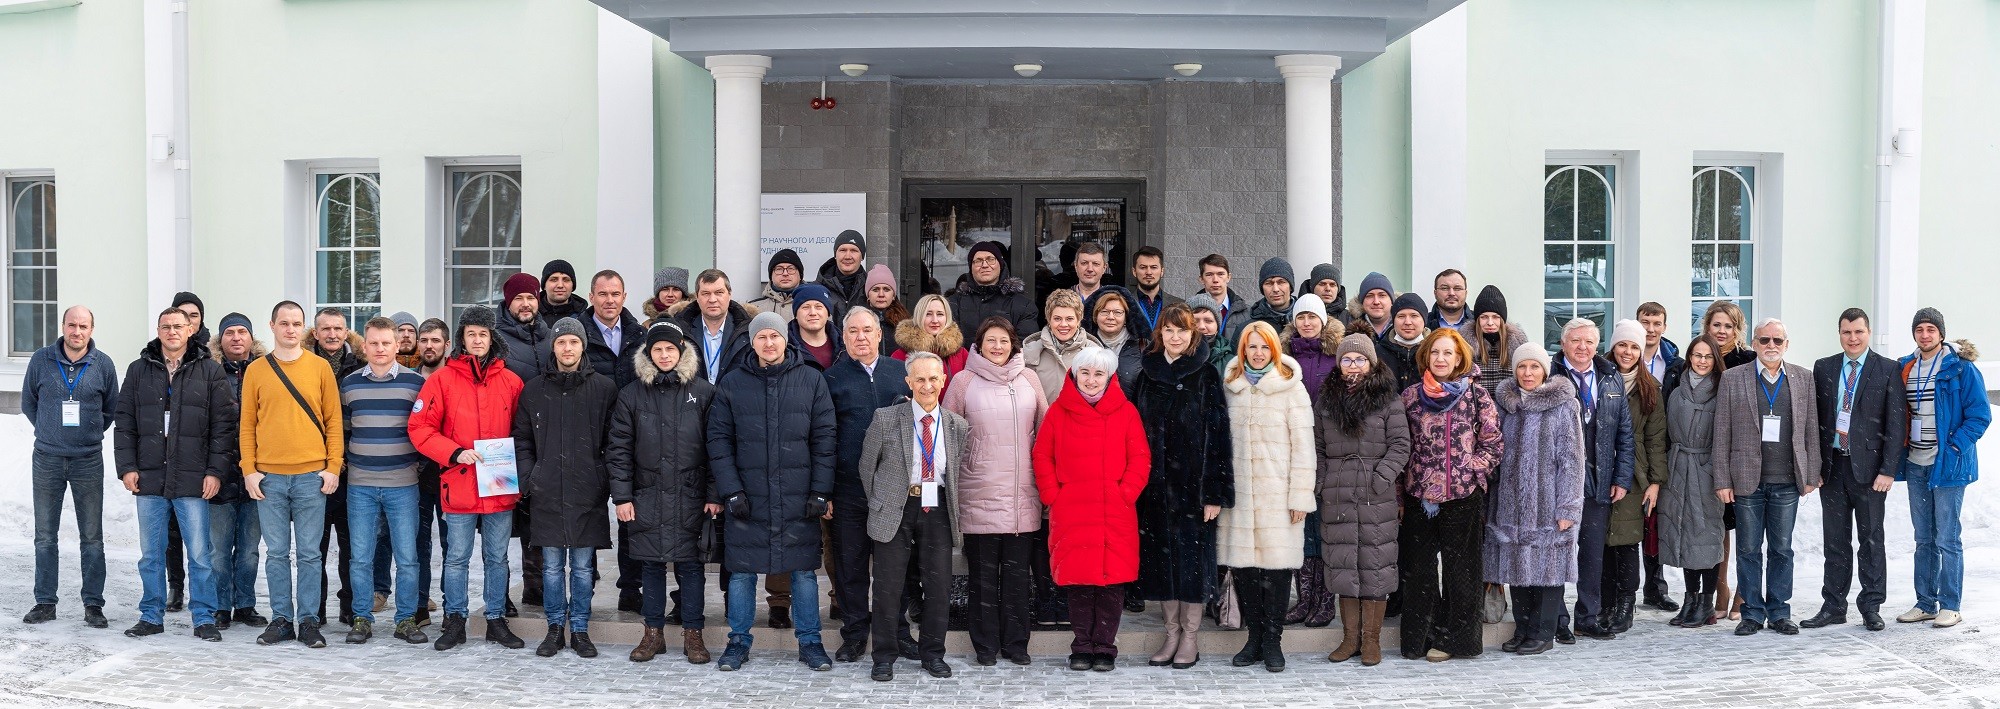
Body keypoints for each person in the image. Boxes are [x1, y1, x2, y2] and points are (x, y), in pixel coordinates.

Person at [708, 312, 839, 672]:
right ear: (752, 342)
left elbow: (825, 439)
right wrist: (731, 490)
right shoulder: (733, 383)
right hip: (747, 498)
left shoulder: (811, 380)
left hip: (798, 497)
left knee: (803, 572)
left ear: (786, 339)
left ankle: (810, 642)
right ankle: (738, 642)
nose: (769, 343)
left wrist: (820, 491)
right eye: (762, 337)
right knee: (742, 572)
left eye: (775, 336)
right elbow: (718, 441)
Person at [407, 305, 527, 652]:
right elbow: (420, 428)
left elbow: (524, 432)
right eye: (471, 334)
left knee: (497, 557)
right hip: (459, 481)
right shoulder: (442, 380)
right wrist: (454, 452)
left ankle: (496, 619)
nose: (477, 340)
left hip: (499, 483)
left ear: (492, 338)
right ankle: (455, 619)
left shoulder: (511, 381)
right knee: (457, 557)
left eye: (483, 334)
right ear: (461, 339)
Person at [113, 307, 233, 641]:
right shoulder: (139, 370)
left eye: (178, 326)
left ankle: (204, 618)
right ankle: (151, 616)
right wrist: (127, 467)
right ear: (158, 330)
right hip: (150, 478)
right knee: (151, 555)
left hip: (193, 478)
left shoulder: (209, 370)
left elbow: (223, 427)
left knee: (200, 555)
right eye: (165, 326)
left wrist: (215, 472)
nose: (172, 332)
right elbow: (124, 423)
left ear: (190, 330)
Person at [609, 321, 721, 664]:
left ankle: (694, 634)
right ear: (648, 353)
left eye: (670, 348)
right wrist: (622, 496)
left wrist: (714, 494)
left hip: (691, 496)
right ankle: (653, 633)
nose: (664, 355)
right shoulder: (631, 394)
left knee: (691, 568)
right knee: (652, 567)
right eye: (657, 349)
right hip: (647, 495)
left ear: (681, 350)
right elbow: (619, 449)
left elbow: (717, 448)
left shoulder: (703, 393)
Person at [1033, 347, 1150, 673]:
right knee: (1080, 583)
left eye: (1099, 374)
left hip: (1114, 510)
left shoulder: (1126, 412)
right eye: (1085, 372)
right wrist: (1053, 494)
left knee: (1111, 585)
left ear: (1109, 377)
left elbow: (1140, 458)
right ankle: (1082, 646)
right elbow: (1042, 455)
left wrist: (1125, 493)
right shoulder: (1058, 412)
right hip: (1072, 510)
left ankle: (1105, 648)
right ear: (1074, 375)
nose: (1091, 380)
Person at [1129, 304, 1232, 670]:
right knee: (1162, 564)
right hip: (1154, 488)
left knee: (1192, 565)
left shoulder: (1205, 374)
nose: (1175, 337)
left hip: (1193, 489)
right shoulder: (1147, 374)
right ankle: (1171, 632)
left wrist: (1215, 493)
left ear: (1193, 335)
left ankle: (1190, 635)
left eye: (1182, 331)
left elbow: (1218, 437)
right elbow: (1134, 433)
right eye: (1169, 330)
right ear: (1160, 334)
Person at [512, 317, 620, 658]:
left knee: (584, 567)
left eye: (574, 341)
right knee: (551, 567)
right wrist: (531, 477)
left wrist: (602, 477)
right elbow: (522, 439)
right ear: (553, 347)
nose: (567, 348)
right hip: (546, 490)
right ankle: (555, 627)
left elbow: (615, 442)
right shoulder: (534, 390)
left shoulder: (604, 389)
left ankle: (581, 629)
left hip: (588, 490)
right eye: (561, 342)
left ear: (583, 345)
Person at [858, 353, 969, 681]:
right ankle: (883, 657)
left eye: (933, 378)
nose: (927, 385)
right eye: (920, 379)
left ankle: (933, 654)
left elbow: (956, 472)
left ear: (943, 381)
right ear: (908, 382)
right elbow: (867, 467)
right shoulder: (886, 418)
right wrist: (882, 501)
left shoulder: (956, 425)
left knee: (938, 587)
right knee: (887, 588)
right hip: (896, 508)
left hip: (937, 510)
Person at [240, 301, 345, 648]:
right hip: (269, 477)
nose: (290, 329)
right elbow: (247, 425)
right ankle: (281, 619)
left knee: (310, 554)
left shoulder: (319, 368)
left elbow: (333, 421)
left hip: (311, 476)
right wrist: (249, 470)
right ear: (272, 326)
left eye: (296, 323)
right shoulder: (256, 370)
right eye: (284, 323)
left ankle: (309, 621)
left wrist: (332, 467)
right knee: (276, 553)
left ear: (304, 329)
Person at [943, 316, 1046, 667]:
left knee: (1017, 579)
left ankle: (1016, 644)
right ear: (980, 344)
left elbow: (1045, 430)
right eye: (991, 340)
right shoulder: (963, 381)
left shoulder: (1028, 378)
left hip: (1022, 495)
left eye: (1003, 340)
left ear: (1013, 343)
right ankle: (985, 646)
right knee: (983, 579)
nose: (997, 346)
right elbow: (948, 435)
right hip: (978, 493)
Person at [1398, 328, 1502, 661]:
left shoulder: (1476, 395)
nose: (1441, 358)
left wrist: (1470, 469)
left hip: (1462, 495)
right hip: (1419, 496)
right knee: (1420, 571)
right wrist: (1402, 489)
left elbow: (1493, 443)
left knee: (1463, 572)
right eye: (1435, 352)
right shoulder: (1411, 397)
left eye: (1448, 353)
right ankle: (1422, 637)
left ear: (1459, 359)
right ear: (1425, 357)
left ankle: (1458, 640)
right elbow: (1401, 445)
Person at [1801, 309, 1907, 632]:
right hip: (1834, 467)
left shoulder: (1887, 369)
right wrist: (1815, 466)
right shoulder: (1824, 367)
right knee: (1835, 540)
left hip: (1871, 472)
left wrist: (1888, 470)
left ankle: (1871, 606)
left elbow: (1896, 423)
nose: (1853, 338)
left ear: (1868, 332)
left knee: (1871, 540)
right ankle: (1833, 605)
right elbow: (1815, 421)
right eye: (1846, 332)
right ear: (1839, 334)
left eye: (1858, 331)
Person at [1713, 318, 1821, 637]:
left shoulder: (1803, 378)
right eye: (1764, 340)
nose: (1771, 345)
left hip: (1787, 480)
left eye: (1777, 340)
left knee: (1781, 549)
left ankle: (1779, 611)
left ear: (1786, 344)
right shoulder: (1733, 378)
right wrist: (1722, 480)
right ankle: (1751, 612)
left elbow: (1811, 429)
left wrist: (1811, 472)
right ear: (1754, 344)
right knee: (1748, 549)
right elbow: (1721, 432)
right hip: (1747, 480)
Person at [1217, 322, 1315, 673]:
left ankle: (1273, 641)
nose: (1257, 353)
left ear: (1274, 350)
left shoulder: (1291, 388)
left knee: (1276, 572)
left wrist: (1300, 496)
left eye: (1264, 347)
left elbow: (1304, 448)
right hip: (1240, 496)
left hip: (1278, 495)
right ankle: (1254, 638)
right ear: (1242, 350)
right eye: (1251, 347)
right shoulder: (1231, 387)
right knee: (1244, 570)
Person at [821, 308, 913, 662]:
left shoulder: (901, 373)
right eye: (853, 331)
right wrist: (825, 490)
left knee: (894, 568)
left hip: (894, 491)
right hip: (848, 490)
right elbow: (824, 437)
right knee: (851, 567)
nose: (861, 337)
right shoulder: (832, 379)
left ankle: (897, 632)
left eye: (867, 330)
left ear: (879, 334)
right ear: (843, 337)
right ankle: (855, 633)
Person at [21, 305, 119, 629]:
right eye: (72, 325)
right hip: (47, 458)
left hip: (87, 460)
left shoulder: (103, 364)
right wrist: (49, 430)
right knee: (45, 535)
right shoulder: (41, 360)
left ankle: (93, 604)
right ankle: (45, 602)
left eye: (83, 326)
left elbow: (110, 410)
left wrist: (88, 434)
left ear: (92, 329)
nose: (77, 331)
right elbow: (29, 403)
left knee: (92, 536)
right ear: (63, 326)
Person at [1314, 333, 1410, 666]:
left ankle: (1371, 640)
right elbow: (1318, 447)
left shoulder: (1388, 399)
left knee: (1375, 566)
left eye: (1359, 359)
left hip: (1375, 495)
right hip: (1337, 493)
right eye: (1347, 359)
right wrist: (1323, 482)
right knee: (1343, 566)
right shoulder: (1326, 401)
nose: (1353, 365)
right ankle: (1349, 639)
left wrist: (1380, 478)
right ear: (1338, 364)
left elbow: (1400, 445)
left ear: (1371, 363)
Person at [1485, 342, 1584, 656]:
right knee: (1517, 568)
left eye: (1534, 366)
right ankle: (1523, 628)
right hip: (1510, 503)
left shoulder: (1563, 406)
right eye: (1522, 367)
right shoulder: (1505, 405)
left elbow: (1572, 461)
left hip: (1547, 503)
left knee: (1547, 569)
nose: (1528, 373)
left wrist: (1567, 506)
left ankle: (1543, 632)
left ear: (1545, 370)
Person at [1896, 307, 1989, 628]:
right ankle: (1925, 603)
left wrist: (1953, 447)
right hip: (1915, 463)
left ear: (1941, 334)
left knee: (1947, 538)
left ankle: (1951, 604)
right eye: (1919, 329)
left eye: (1931, 329)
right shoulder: (1906, 367)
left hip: (1947, 465)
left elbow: (1980, 415)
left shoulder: (1961, 368)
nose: (1925, 335)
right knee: (1923, 538)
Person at [337, 317, 427, 645]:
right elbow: (344, 431)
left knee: (407, 557)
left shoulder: (416, 383)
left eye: (386, 343)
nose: (379, 348)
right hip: (360, 485)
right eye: (373, 343)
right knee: (360, 556)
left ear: (397, 345)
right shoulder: (350, 385)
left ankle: (406, 620)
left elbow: (424, 430)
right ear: (364, 346)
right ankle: (362, 617)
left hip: (402, 484)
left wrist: (416, 466)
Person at [1549, 318, 1636, 641]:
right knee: (1558, 552)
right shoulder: (1551, 377)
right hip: (1561, 484)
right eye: (1576, 341)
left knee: (1592, 555)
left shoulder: (1611, 378)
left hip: (1600, 480)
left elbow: (1625, 433)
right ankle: (1558, 618)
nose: (1582, 347)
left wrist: (1622, 478)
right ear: (1563, 344)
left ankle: (1588, 616)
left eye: (1588, 341)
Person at [1278, 294, 1346, 629]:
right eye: (1301, 317)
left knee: (1325, 528)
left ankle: (1325, 600)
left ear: (1323, 320)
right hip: (1293, 449)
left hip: (1329, 448)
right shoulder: (1284, 356)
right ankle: (1304, 599)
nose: (1306, 323)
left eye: (1312, 317)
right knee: (1300, 525)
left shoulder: (1337, 355)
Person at [1659, 336, 1727, 628]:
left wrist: (1712, 469)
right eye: (1697, 355)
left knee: (1707, 536)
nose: (1702, 361)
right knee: (1685, 535)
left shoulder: (1722, 391)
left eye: (1708, 356)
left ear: (1715, 361)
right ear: (1689, 357)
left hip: (1706, 471)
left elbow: (1725, 436)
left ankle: (1706, 602)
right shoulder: (1677, 392)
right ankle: (1690, 599)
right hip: (1678, 469)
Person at [206, 313, 267, 631]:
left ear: (251, 337)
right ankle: (220, 606)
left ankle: (244, 604)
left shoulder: (267, 370)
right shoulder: (209, 372)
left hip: (256, 475)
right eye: (229, 332)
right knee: (218, 550)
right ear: (220, 339)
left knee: (249, 550)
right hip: (221, 472)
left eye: (242, 331)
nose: (236, 337)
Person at [1605, 319, 1668, 633]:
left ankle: (1625, 603)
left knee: (1627, 540)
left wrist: (1655, 482)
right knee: (1602, 541)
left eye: (1634, 347)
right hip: (1601, 468)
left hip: (1635, 473)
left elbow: (1657, 438)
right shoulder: (1600, 378)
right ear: (1613, 347)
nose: (1627, 352)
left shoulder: (1649, 387)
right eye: (1622, 345)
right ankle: (1604, 603)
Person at [308, 307, 362, 625]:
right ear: (315, 333)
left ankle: (350, 606)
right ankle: (315, 608)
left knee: (352, 546)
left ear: (346, 332)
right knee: (315, 546)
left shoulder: (361, 365)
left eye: (337, 328)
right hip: (314, 469)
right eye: (325, 329)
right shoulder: (302, 364)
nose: (332, 334)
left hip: (353, 469)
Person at [1633, 303, 1683, 613]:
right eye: (1645, 322)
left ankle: (1655, 587)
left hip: (1662, 448)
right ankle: (1623, 589)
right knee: (1629, 521)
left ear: (1665, 326)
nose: (1650, 329)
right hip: (1631, 447)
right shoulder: (1623, 356)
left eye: (1656, 323)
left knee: (1655, 522)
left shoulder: (1675, 364)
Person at [673, 269, 756, 386]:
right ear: (697, 297)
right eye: (706, 293)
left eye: (719, 292)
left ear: (729, 295)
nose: (712, 300)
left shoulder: (748, 331)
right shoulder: (680, 330)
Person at [948, 240, 1039, 339]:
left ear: (1000, 264)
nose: (985, 265)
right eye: (978, 261)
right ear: (971, 268)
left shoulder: (1023, 306)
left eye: (991, 259)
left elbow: (1026, 344)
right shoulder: (953, 304)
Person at [1023, 290, 1098, 403]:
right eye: (1057, 319)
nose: (1063, 324)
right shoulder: (1031, 351)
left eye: (1069, 319)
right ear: (1049, 320)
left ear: (1079, 320)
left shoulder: (1094, 352)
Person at [893, 294, 970, 393]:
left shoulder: (962, 354)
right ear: (919, 317)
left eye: (940, 314)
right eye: (928, 314)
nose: (935, 320)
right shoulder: (900, 356)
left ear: (947, 317)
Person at [1467, 286, 1527, 396]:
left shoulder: (1518, 345)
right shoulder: (1466, 346)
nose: (1490, 322)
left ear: (1503, 319)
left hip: (1509, 405)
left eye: (1495, 317)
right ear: (1477, 319)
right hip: (1477, 404)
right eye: (1484, 317)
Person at [1084, 287, 1146, 392]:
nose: (1111, 317)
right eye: (1104, 311)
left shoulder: (1142, 346)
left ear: (1125, 318)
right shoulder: (1085, 345)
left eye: (1117, 312)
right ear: (1095, 316)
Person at [496, 272, 553, 382]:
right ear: (508, 303)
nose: (526, 304)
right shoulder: (494, 340)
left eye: (531, 298)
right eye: (518, 298)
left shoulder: (552, 337)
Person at [1225, 257, 1295, 346]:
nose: (1275, 289)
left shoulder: (1307, 323)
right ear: (1262, 288)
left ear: (1290, 286)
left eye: (1281, 282)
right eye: (1269, 283)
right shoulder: (1246, 329)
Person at [1376, 293, 1429, 392]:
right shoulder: (1377, 353)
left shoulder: (1434, 351)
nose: (1407, 322)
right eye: (1401, 316)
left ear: (1424, 320)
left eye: (1414, 316)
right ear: (1393, 320)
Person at [1129, 246, 1182, 335]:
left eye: (1153, 267)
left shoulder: (1180, 305)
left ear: (1162, 271)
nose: (1149, 272)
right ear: (1134, 271)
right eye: (1143, 267)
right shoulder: (1124, 303)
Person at [789, 284, 843, 370]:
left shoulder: (845, 345)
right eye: (806, 307)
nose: (813, 313)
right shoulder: (785, 348)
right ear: (796, 314)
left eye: (818, 307)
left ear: (828, 313)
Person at [1196, 254, 1250, 338]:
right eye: (1209, 275)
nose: (1215, 280)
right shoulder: (1188, 311)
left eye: (1220, 274)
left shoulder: (1247, 313)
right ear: (1201, 279)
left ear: (1228, 277)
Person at [815, 230, 869, 309]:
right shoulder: (817, 289)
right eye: (843, 250)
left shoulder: (871, 289)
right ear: (835, 255)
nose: (847, 256)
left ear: (862, 256)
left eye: (853, 251)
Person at [1180, 293, 1233, 374]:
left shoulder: (1232, 363)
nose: (1202, 326)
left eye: (1208, 321)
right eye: (1194, 321)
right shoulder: (1173, 357)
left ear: (1217, 326)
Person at [862, 264, 908, 355]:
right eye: (875, 290)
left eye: (886, 289)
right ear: (868, 295)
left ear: (893, 295)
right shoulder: (858, 321)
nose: (881, 294)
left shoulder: (905, 324)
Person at [749, 248, 805, 321]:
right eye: (779, 269)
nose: (785, 273)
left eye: (791, 269)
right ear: (771, 276)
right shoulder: (753, 309)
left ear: (800, 275)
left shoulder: (813, 305)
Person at [1701, 301, 1757, 370]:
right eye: (1716, 325)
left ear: (1737, 330)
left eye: (1728, 326)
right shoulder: (1696, 355)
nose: (1722, 331)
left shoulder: (1749, 360)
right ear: (1708, 327)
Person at [537, 259, 588, 327]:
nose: (560, 285)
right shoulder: (532, 315)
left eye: (566, 280)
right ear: (544, 285)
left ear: (572, 286)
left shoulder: (585, 318)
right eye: (554, 280)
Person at [1426, 270, 1474, 340]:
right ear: (1435, 293)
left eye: (1457, 288)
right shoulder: (1423, 323)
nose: (1451, 293)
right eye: (1445, 288)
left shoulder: (1478, 322)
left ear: (1466, 293)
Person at [1349, 272, 1395, 338]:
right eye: (1370, 296)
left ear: (1391, 300)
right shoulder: (1349, 327)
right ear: (1362, 302)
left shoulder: (1405, 325)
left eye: (1382, 295)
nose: (1376, 302)